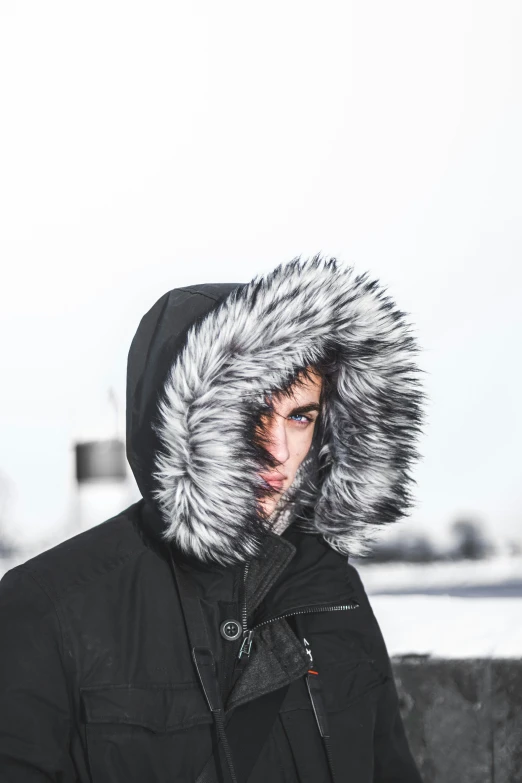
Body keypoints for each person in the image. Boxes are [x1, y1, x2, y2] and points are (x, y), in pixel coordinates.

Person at [0, 255, 426, 782]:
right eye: (250, 413)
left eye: (300, 416)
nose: (278, 449)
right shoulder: (46, 610)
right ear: (178, 424)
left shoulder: (332, 590)